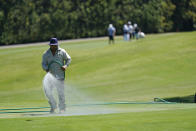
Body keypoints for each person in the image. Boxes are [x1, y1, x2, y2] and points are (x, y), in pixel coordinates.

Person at [42, 38, 71, 113]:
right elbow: (43, 64)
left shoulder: (62, 51)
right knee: (47, 91)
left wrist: (65, 66)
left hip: (60, 76)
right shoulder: (46, 54)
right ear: (50, 45)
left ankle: (62, 108)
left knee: (61, 93)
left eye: (55, 45)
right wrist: (46, 69)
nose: (54, 47)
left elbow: (68, 59)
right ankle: (53, 105)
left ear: (57, 44)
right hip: (50, 77)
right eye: (52, 45)